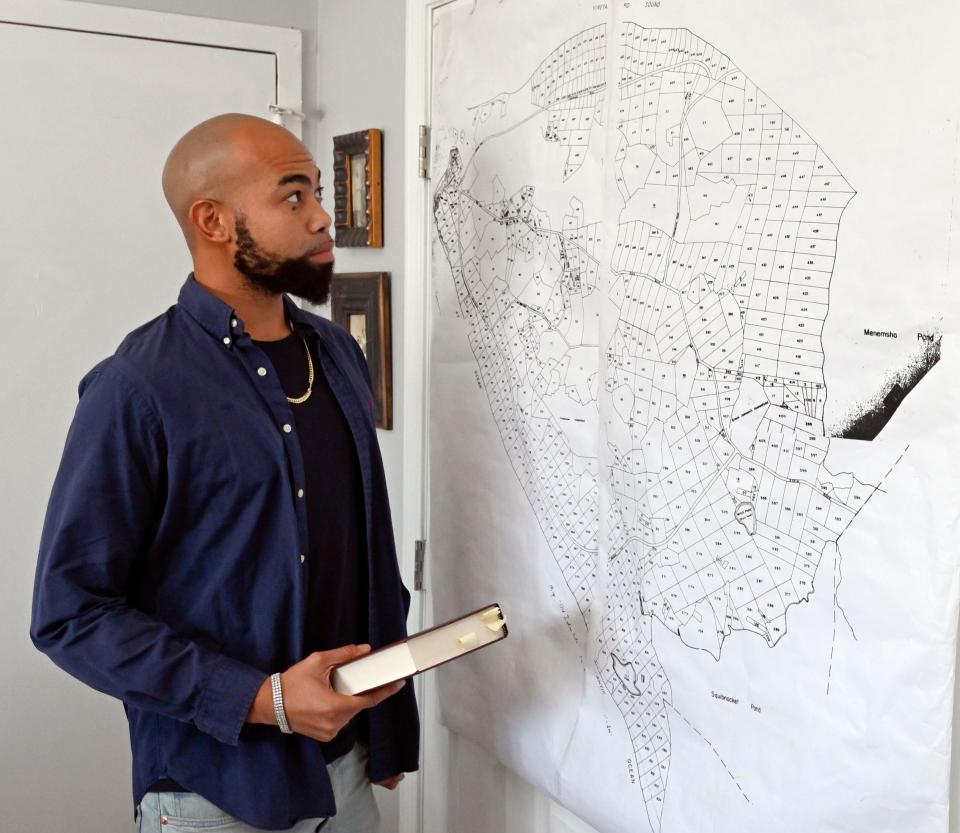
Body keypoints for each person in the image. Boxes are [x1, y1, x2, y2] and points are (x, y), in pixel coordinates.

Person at [30, 113, 419, 833]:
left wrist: (390, 725)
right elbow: (70, 612)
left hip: (351, 771)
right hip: (215, 793)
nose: (322, 216)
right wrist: (263, 697)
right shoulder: (136, 387)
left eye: (317, 194)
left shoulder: (337, 353)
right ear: (213, 220)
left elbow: (364, 550)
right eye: (293, 196)